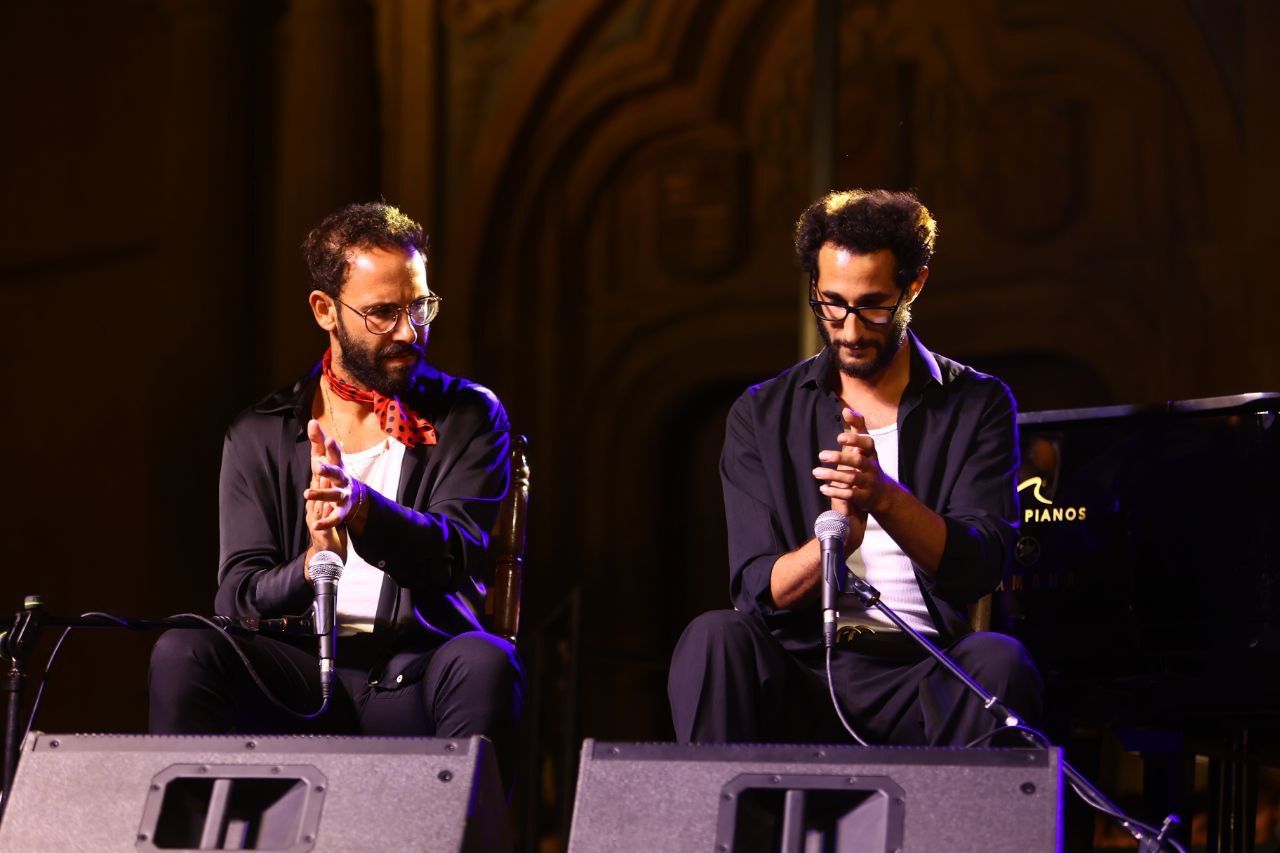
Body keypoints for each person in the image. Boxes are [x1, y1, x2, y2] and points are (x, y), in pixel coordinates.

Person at [149, 202, 523, 780]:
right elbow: (237, 597)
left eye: (420, 306)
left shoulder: (468, 414)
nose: (409, 331)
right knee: (184, 650)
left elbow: (457, 556)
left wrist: (365, 512)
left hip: (413, 669)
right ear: (326, 310)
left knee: (487, 661)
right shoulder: (261, 432)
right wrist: (311, 567)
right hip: (297, 669)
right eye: (382, 314)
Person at [668, 189, 1041, 747]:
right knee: (713, 638)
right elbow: (755, 588)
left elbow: (980, 564)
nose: (847, 328)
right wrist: (835, 542)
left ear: (913, 286)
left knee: (1000, 660)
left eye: (872, 304)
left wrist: (884, 497)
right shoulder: (762, 412)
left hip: (926, 667)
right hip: (802, 667)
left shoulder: (977, 403)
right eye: (830, 303)